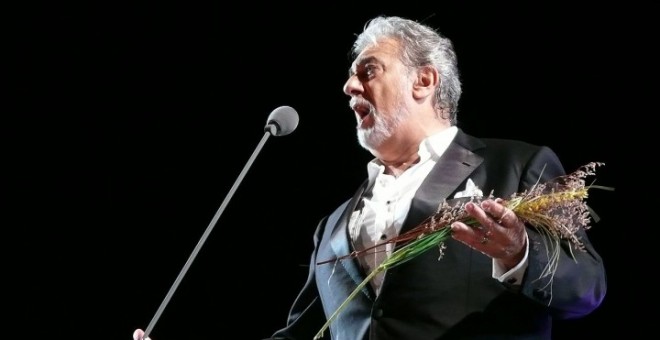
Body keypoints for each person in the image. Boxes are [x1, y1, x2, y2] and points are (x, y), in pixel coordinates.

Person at [133, 15, 606, 340]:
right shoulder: (334, 226)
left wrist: (519, 251)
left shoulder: (515, 167)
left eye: (369, 70)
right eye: (350, 76)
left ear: (424, 81)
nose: (349, 86)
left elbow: (586, 289)